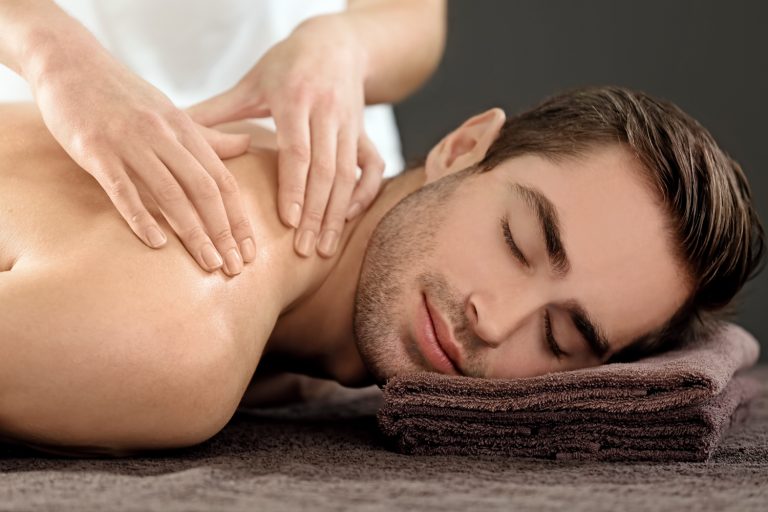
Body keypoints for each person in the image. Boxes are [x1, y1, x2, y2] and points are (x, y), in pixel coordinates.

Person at [0, 87, 764, 456]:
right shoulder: (185, 340)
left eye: (561, 337)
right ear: (464, 148)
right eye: (519, 240)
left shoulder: (269, 334)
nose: (491, 318)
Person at [0, 0, 446, 272]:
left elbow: (414, 12)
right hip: (50, 107)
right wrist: (51, 53)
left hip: (320, 150)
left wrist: (346, 43)